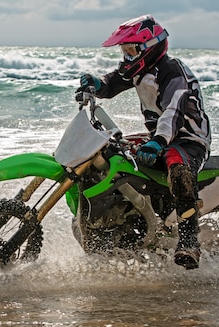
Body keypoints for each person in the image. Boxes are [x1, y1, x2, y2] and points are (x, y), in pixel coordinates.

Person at [77, 14, 211, 269]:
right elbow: (113, 82)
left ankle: (189, 241)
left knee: (178, 166)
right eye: (125, 51)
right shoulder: (140, 69)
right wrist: (96, 84)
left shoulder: (173, 72)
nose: (127, 56)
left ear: (150, 47)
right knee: (110, 151)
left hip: (188, 139)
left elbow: (173, 111)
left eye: (132, 50)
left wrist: (159, 141)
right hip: (159, 137)